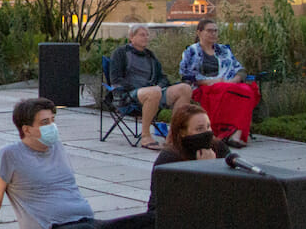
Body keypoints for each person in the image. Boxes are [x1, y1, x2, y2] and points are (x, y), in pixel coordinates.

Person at [0, 97, 157, 229]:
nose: (52, 126)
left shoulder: (56, 147)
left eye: (52, 120)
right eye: (44, 122)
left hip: (88, 224)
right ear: (26, 129)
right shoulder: (7, 155)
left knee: (157, 220)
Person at [177, 18, 259, 147]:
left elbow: (240, 70)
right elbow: (186, 75)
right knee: (229, 91)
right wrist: (209, 81)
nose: (213, 34)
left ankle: (236, 133)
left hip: (228, 83)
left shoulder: (223, 50)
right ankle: (228, 133)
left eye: (215, 31)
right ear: (199, 32)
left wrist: (233, 80)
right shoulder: (192, 51)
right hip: (205, 86)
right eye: (209, 31)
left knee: (248, 91)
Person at [110, 24, 193, 149]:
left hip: (153, 92)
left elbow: (163, 78)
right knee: (153, 92)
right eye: (142, 35)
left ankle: (172, 137)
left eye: (147, 35)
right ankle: (146, 136)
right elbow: (116, 79)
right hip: (129, 94)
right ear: (131, 37)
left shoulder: (150, 56)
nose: (146, 38)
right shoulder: (121, 53)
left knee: (185, 89)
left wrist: (159, 86)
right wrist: (144, 88)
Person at [147, 104, 228, 211]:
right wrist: (206, 169)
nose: (207, 133)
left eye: (208, 126)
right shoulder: (170, 158)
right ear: (182, 132)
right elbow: (175, 200)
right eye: (199, 129)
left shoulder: (218, 147)